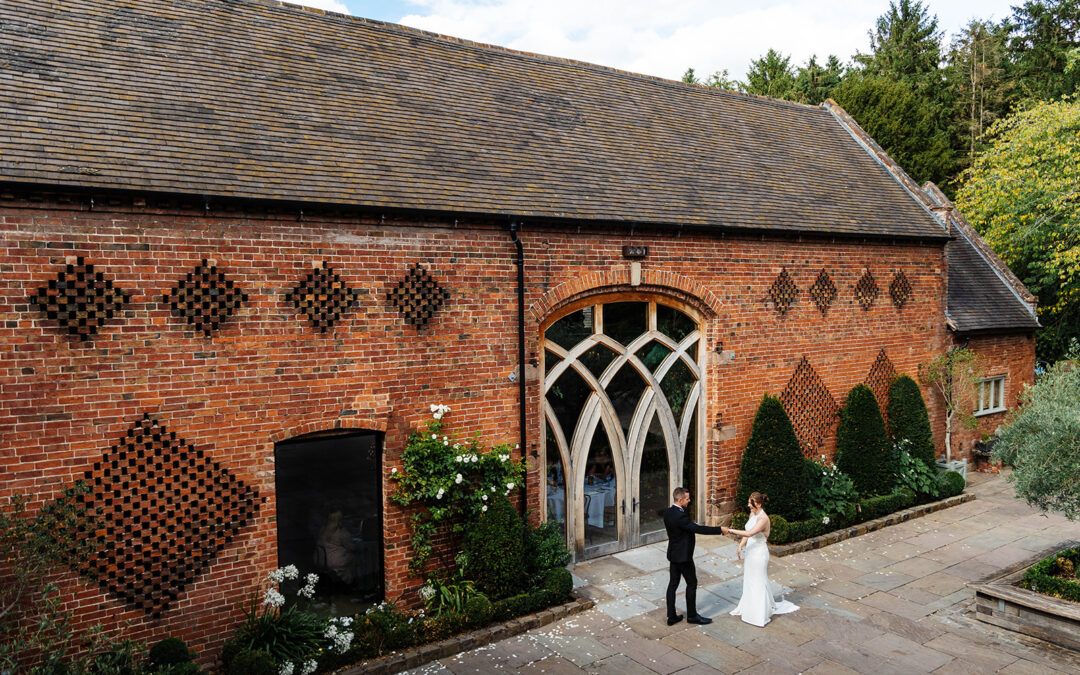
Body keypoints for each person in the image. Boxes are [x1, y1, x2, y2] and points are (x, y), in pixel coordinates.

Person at [722, 492, 799, 626]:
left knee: (758, 580)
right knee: (750, 579)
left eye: (750, 503)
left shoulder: (763, 519)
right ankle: (749, 608)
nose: (748, 505)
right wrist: (741, 545)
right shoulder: (753, 514)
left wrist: (729, 531)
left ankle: (758, 614)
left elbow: (750, 533)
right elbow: (748, 532)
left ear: (758, 504)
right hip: (751, 552)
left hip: (759, 554)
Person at [664, 486, 725, 626]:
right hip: (683, 557)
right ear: (680, 500)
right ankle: (692, 616)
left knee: (672, 584)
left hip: (673, 554)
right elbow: (698, 529)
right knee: (692, 583)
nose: (689, 501)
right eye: (687, 499)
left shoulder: (668, 513)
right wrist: (719, 530)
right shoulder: (681, 517)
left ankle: (671, 616)